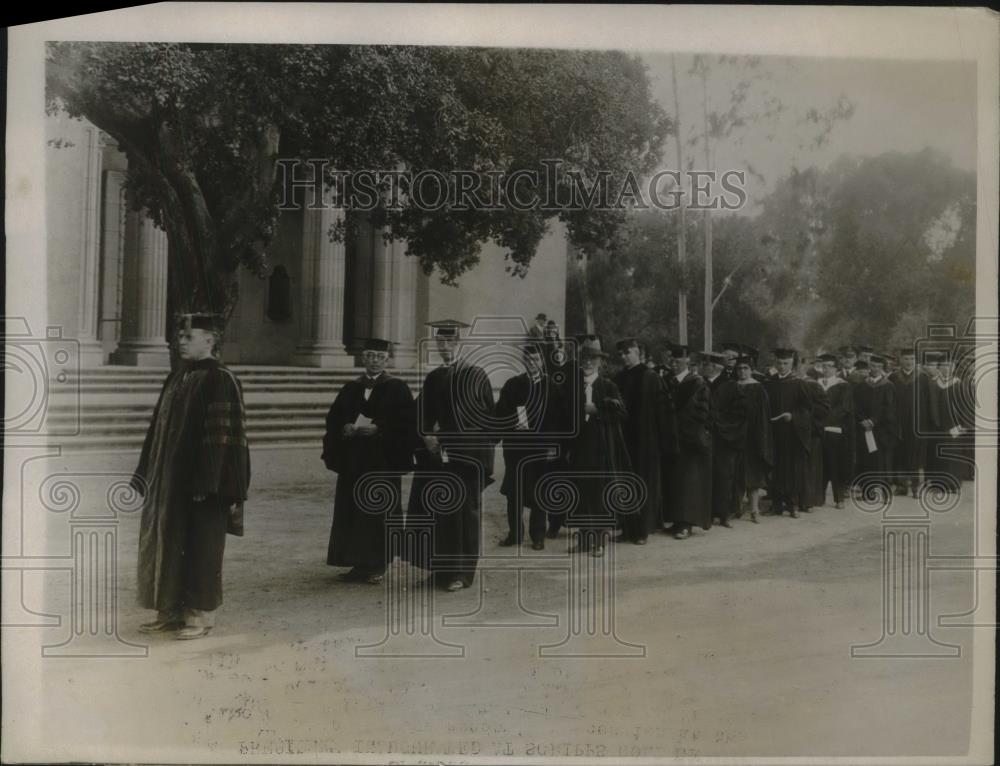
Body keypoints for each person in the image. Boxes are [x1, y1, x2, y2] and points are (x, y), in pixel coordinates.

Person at [132, 313, 250, 640]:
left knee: (201, 547)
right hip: (169, 483)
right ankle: (169, 610)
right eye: (179, 337)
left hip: (202, 485)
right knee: (168, 544)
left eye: (189, 337)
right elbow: (157, 431)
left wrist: (208, 482)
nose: (180, 342)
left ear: (210, 340)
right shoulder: (177, 377)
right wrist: (145, 473)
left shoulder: (220, 379)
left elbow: (223, 437)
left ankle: (200, 615)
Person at [406, 319, 495, 591]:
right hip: (437, 458)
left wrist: (444, 438)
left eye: (450, 341)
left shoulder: (475, 375)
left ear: (460, 343)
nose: (444, 346)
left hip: (464, 458)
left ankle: (461, 573)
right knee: (437, 512)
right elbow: (419, 414)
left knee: (462, 513)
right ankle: (439, 570)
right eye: (440, 341)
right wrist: (424, 437)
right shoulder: (435, 377)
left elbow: (480, 420)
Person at [322, 338, 415, 585]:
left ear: (387, 360)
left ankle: (377, 564)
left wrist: (379, 429)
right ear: (362, 359)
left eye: (379, 356)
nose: (374, 360)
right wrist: (345, 428)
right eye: (370, 355)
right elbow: (334, 418)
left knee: (377, 512)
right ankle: (358, 563)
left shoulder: (398, 388)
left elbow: (406, 423)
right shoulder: (351, 388)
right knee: (353, 511)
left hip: (382, 463)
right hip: (354, 463)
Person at [564, 336, 631, 556]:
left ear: (600, 362)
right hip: (580, 446)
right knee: (582, 491)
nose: (588, 363)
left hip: (602, 446)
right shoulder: (572, 386)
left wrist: (598, 411)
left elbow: (622, 413)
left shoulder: (608, 386)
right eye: (584, 359)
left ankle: (600, 541)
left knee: (601, 492)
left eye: (592, 359)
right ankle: (584, 538)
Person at [495, 342, 565, 550]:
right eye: (528, 359)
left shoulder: (552, 386)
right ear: (523, 361)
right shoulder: (512, 384)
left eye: (536, 359)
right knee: (513, 492)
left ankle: (538, 536)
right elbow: (500, 412)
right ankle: (515, 534)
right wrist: (511, 422)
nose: (532, 363)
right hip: (516, 447)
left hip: (540, 448)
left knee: (539, 491)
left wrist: (553, 445)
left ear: (542, 361)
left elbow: (558, 420)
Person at [614, 338, 678, 544]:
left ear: (638, 353)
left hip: (645, 441)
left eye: (628, 352)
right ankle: (626, 527)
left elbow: (664, 413)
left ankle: (642, 531)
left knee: (644, 483)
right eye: (622, 354)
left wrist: (663, 442)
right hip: (624, 440)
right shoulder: (619, 378)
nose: (624, 356)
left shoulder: (650, 377)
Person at [664, 343, 712, 539]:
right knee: (674, 480)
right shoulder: (667, 381)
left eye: (678, 360)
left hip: (689, 439)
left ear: (687, 361)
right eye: (672, 360)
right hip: (671, 439)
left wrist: (681, 429)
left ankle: (686, 524)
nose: (674, 363)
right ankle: (675, 519)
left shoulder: (698, 383)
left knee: (688, 482)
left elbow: (702, 412)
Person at [763, 348, 812, 518]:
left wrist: (793, 416)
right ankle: (776, 504)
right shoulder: (770, 382)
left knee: (790, 469)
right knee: (775, 467)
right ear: (775, 363)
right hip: (774, 431)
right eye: (779, 363)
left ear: (792, 364)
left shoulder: (798, 383)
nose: (782, 366)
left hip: (791, 433)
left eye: (785, 363)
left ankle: (792, 505)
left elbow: (806, 409)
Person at [701, 351, 744, 528]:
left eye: (706, 365)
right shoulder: (700, 383)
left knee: (724, 476)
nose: (703, 367)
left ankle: (724, 514)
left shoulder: (731, 386)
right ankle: (707, 513)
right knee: (705, 475)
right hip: (704, 437)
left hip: (725, 439)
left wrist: (718, 423)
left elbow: (739, 413)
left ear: (715, 367)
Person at [734, 353, 773, 522]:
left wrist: (761, 438)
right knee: (736, 472)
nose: (742, 372)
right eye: (739, 369)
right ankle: (736, 507)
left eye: (745, 368)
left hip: (752, 437)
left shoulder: (758, 388)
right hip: (735, 435)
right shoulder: (732, 386)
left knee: (753, 474)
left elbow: (763, 416)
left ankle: (754, 509)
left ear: (751, 370)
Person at [889, 347, 929, 498]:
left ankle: (916, 487)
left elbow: (929, 401)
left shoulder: (923, 377)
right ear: (900, 360)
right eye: (906, 359)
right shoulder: (893, 377)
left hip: (918, 422)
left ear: (915, 360)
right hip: (898, 421)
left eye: (912, 359)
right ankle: (901, 486)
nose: (909, 362)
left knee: (915, 454)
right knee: (899, 452)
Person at [853, 353, 899, 485]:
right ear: (869, 367)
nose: (876, 369)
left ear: (882, 368)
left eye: (879, 366)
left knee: (880, 459)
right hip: (863, 427)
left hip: (881, 429)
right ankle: (866, 487)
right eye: (873, 366)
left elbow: (889, 408)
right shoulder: (861, 385)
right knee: (865, 457)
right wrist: (862, 420)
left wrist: (873, 421)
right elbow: (856, 406)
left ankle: (880, 486)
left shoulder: (888, 386)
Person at [817, 353, 854, 508]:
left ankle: (839, 498)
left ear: (836, 369)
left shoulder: (843, 385)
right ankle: (818, 497)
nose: (826, 369)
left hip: (834, 429)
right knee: (819, 464)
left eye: (830, 366)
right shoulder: (815, 384)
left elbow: (844, 409)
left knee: (835, 464)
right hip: (818, 430)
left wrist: (824, 420)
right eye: (823, 366)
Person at [801, 358, 831, 509]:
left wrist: (807, 417)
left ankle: (810, 500)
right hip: (796, 432)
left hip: (811, 431)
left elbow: (824, 408)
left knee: (811, 466)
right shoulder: (791, 383)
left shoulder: (813, 385)